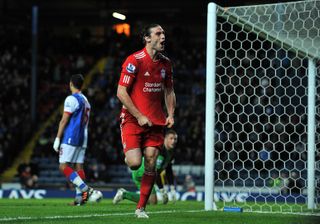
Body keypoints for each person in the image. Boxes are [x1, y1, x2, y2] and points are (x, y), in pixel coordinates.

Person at [116, 23, 176, 218]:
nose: (163, 37)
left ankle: (140, 208)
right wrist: (139, 115)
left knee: (151, 162)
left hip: (156, 122)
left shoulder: (166, 63)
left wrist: (171, 114)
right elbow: (121, 92)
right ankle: (130, 154)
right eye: (158, 33)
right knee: (134, 163)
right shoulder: (134, 60)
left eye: (164, 33)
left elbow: (169, 91)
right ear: (147, 38)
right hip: (133, 120)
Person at [53, 74, 96, 206]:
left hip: (72, 135)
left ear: (71, 84)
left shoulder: (71, 99)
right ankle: (80, 199)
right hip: (83, 136)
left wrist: (57, 138)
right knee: (78, 167)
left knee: (63, 166)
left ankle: (85, 190)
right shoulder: (85, 99)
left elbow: (64, 120)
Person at [113, 129, 178, 205]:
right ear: (165, 139)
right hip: (142, 172)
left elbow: (168, 169)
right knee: (151, 201)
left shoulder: (171, 152)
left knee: (150, 201)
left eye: (175, 139)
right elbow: (155, 171)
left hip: (145, 173)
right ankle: (124, 194)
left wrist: (172, 188)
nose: (173, 141)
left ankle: (124, 194)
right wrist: (162, 190)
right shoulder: (160, 149)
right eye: (171, 138)